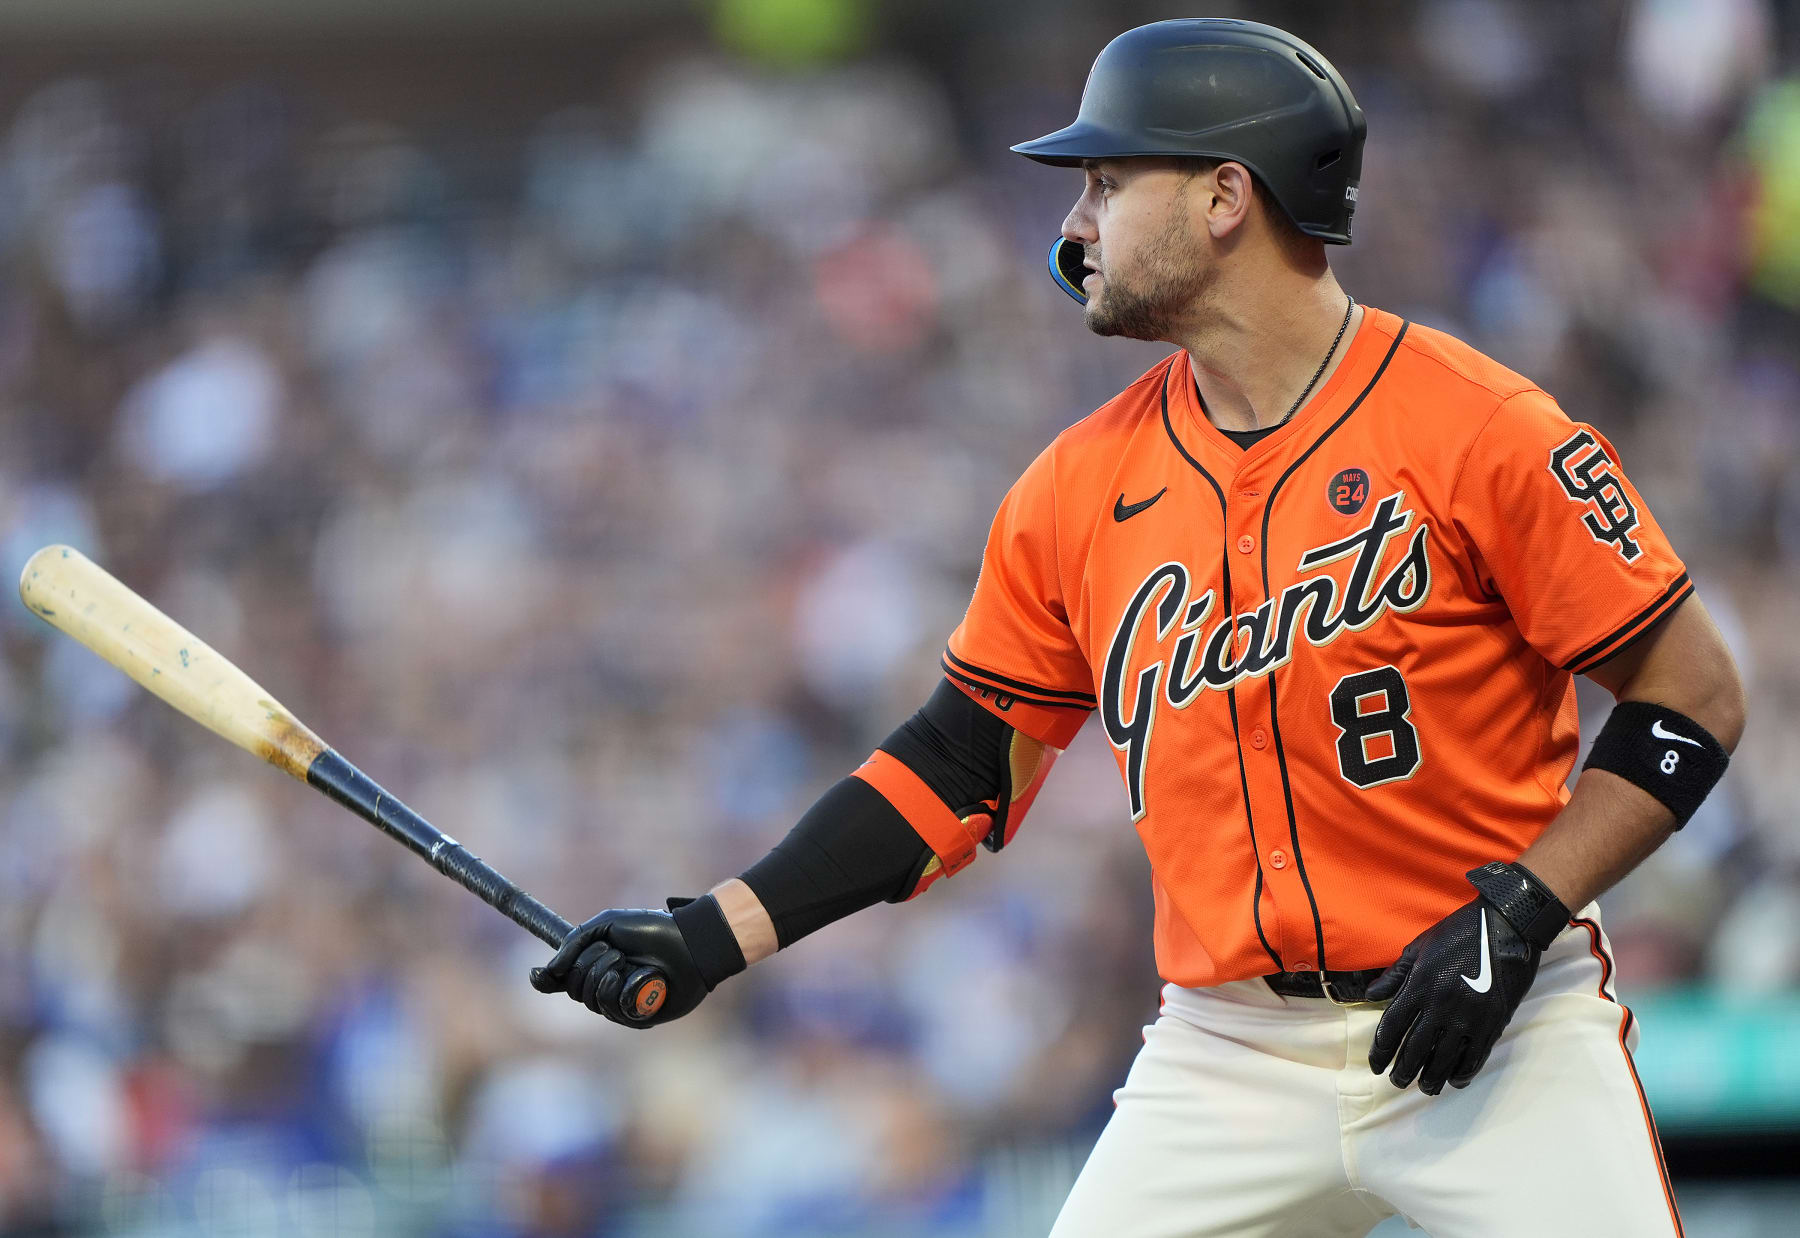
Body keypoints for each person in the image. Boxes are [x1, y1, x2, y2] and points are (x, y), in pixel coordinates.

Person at [531, 19, 1743, 1236]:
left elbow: (1693, 697)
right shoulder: (1074, 487)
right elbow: (956, 764)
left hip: (1499, 1019)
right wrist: (714, 931)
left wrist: (1524, 909)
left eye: (1109, 185)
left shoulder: (1480, 426)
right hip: (1231, 1049)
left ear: (1227, 197)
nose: (1075, 225)